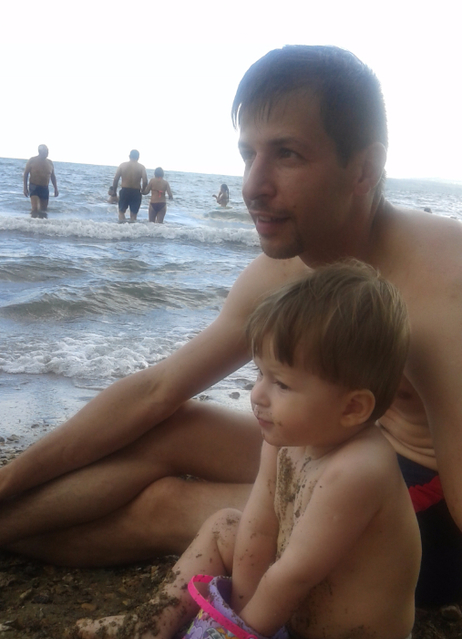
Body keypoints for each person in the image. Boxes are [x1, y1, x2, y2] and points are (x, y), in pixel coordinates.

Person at [1, 45, 462, 608]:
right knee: (173, 426)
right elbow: (158, 389)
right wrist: (9, 480)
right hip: (334, 444)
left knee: (166, 503)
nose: (252, 185)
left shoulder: (445, 285)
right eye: (248, 155)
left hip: (411, 517)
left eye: (287, 154)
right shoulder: (287, 267)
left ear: (363, 169)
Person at [77, 263, 421, 639]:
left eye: (281, 383)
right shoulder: (284, 438)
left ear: (352, 408)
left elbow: (296, 573)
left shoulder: (360, 470)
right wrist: (237, 614)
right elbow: (261, 525)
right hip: (275, 618)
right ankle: (147, 626)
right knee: (225, 523)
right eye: (259, 373)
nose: (257, 394)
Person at [23, 145, 59, 218]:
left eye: (47, 151)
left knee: (43, 210)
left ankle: (41, 224)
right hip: (34, 187)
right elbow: (26, 174)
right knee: (35, 209)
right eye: (45, 151)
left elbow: (53, 176)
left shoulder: (50, 163)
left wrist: (56, 189)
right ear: (40, 152)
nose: (47, 153)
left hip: (45, 188)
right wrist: (25, 188)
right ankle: (31, 222)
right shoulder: (32, 160)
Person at [112, 150, 148, 222]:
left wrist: (114, 191)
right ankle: (132, 228)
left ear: (129, 156)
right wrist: (143, 190)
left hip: (125, 190)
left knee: (121, 212)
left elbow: (116, 179)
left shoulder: (122, 165)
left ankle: (122, 227)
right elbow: (145, 181)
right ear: (138, 157)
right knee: (133, 215)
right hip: (136, 191)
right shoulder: (141, 167)